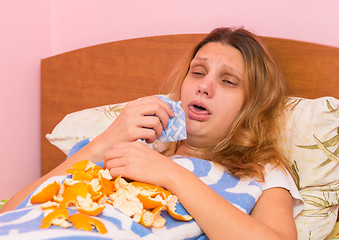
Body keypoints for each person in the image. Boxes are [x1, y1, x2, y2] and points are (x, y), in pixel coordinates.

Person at [0, 27, 302, 239]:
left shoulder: (262, 172)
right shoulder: (134, 145)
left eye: (228, 81)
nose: (204, 86)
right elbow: (12, 212)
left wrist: (170, 174)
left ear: (251, 105)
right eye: (197, 72)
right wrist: (106, 141)